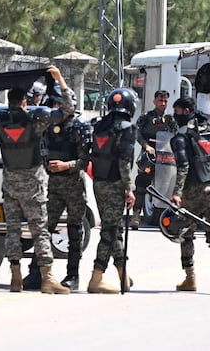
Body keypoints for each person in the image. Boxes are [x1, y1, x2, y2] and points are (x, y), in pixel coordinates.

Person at [0, 73, 70, 294]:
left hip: (10, 184)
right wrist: (59, 80)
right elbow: (66, 111)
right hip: (32, 185)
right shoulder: (35, 120)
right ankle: (48, 278)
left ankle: (16, 276)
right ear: (24, 102)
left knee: (12, 230)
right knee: (39, 231)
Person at [22, 68, 91, 291]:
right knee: (44, 229)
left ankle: (73, 275)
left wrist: (66, 165)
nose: (55, 107)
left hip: (73, 184)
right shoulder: (47, 127)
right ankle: (36, 273)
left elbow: (85, 160)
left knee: (74, 230)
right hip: (52, 185)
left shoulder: (80, 126)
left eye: (59, 104)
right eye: (54, 103)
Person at [170, 97, 210, 295]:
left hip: (191, 193)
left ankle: (190, 277)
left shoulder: (181, 136)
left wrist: (177, 193)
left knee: (186, 234)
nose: (174, 115)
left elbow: (183, 166)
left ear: (186, 111)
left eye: (177, 111)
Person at [87, 88, 138, 293]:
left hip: (99, 182)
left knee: (113, 227)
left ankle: (122, 274)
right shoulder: (127, 128)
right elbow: (124, 163)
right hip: (116, 183)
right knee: (109, 231)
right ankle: (96, 277)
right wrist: (129, 188)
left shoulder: (99, 125)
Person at [132, 90, 178, 229]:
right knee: (142, 183)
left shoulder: (170, 119)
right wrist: (145, 145)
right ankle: (136, 214)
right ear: (154, 101)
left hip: (165, 156)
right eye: (160, 100)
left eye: (165, 101)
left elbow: (176, 134)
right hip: (148, 155)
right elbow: (136, 132)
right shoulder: (146, 117)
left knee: (168, 185)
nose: (163, 103)